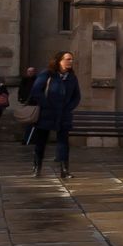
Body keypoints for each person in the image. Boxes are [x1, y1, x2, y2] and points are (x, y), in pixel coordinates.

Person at [28, 50, 82, 179]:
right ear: (59, 61)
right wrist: (46, 104)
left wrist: (69, 107)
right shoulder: (47, 74)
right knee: (41, 141)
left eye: (71, 59)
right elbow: (36, 91)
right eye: (68, 59)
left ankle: (64, 170)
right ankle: (37, 168)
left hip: (63, 114)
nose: (71, 61)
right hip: (47, 113)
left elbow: (77, 96)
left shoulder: (72, 77)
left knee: (63, 142)